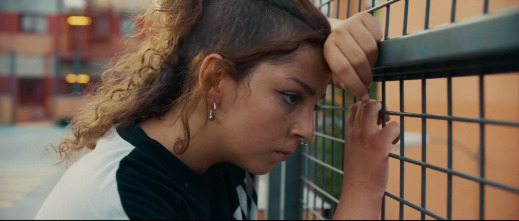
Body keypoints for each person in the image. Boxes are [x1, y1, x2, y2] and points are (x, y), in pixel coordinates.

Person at [36, 0, 399, 219]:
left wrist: (332, 34)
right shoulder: (125, 202)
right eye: (291, 97)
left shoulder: (218, 149)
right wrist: (362, 190)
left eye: (313, 104)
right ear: (215, 81)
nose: (307, 130)